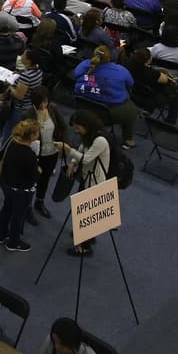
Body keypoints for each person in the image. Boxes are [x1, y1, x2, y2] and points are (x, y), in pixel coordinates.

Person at [55, 110, 110, 256]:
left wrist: (68, 150)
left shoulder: (100, 140)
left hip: (95, 182)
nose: (76, 130)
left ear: (86, 125)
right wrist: (73, 163)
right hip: (87, 178)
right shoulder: (89, 136)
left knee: (88, 214)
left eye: (78, 127)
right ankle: (85, 235)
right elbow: (82, 148)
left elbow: (86, 158)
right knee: (83, 210)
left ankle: (84, 247)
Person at [72, 47, 138, 148]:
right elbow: (131, 84)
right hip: (107, 112)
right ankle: (128, 139)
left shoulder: (85, 64)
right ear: (110, 57)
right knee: (131, 110)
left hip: (84, 107)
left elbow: (75, 74)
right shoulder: (120, 70)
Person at [0, 118, 40, 252]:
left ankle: (1, 235)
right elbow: (34, 175)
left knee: (6, 208)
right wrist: (39, 170)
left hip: (7, 184)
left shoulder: (11, 142)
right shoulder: (29, 154)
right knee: (18, 215)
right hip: (21, 190)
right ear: (31, 136)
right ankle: (14, 242)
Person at [29, 87, 66, 221]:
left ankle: (39, 202)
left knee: (45, 179)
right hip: (35, 154)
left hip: (52, 152)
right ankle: (27, 208)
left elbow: (63, 127)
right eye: (41, 102)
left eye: (46, 101)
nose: (44, 105)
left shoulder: (53, 109)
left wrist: (63, 145)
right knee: (31, 181)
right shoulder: (29, 114)